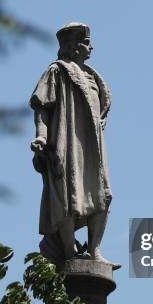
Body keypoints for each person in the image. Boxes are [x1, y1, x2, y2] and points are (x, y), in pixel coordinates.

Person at [29, 22, 119, 269]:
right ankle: (69, 251)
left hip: (93, 148)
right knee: (69, 196)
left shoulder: (93, 76)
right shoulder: (57, 71)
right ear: (74, 46)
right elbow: (42, 108)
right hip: (66, 142)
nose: (91, 47)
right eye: (87, 42)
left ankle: (94, 251)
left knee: (104, 195)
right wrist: (41, 136)